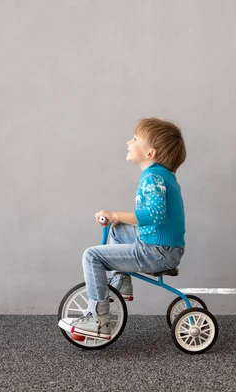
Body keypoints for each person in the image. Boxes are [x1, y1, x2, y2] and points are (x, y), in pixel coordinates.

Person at [67, 118, 186, 340]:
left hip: (157, 250)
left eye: (134, 139)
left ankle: (98, 319)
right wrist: (116, 220)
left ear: (150, 153)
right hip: (164, 245)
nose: (128, 142)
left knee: (92, 256)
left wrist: (114, 214)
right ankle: (120, 280)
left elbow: (154, 215)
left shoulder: (153, 176)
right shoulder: (161, 175)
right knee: (118, 230)